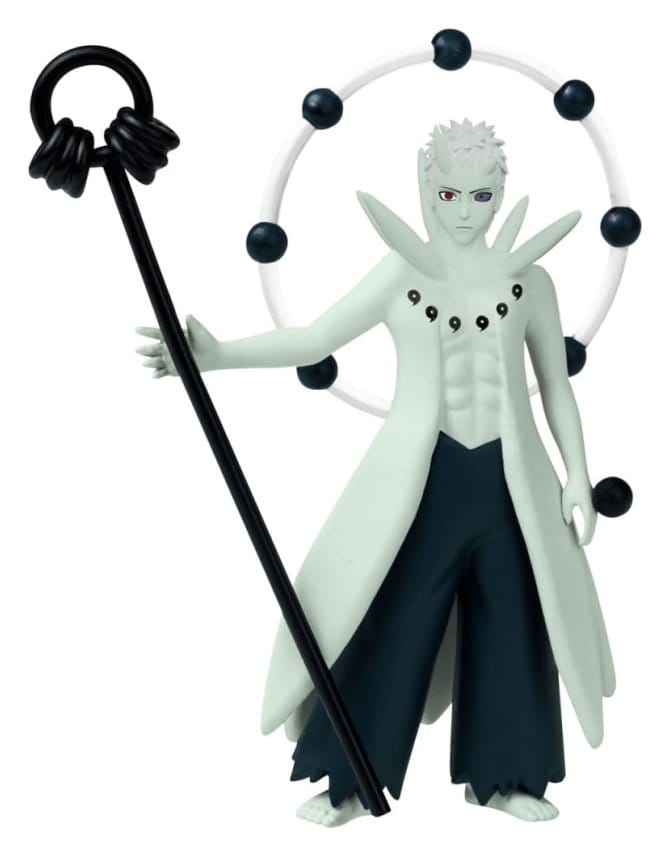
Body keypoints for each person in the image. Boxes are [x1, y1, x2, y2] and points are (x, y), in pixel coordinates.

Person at [136, 119, 614, 826]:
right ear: (426, 186)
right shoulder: (400, 274)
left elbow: (555, 385)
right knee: (390, 617)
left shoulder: (530, 282)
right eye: (449, 193)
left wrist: (577, 473)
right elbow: (316, 337)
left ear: (500, 193)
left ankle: (507, 775)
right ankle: (349, 779)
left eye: (480, 196)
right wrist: (217, 355)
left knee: (517, 622)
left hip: (514, 483)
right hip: (423, 478)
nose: (464, 211)